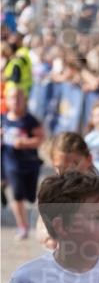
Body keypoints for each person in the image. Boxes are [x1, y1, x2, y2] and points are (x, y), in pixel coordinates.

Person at [0, 83, 43, 239]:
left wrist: (24, 143)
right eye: (12, 97)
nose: (16, 101)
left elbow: (40, 139)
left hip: (30, 163)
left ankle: (5, 187)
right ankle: (22, 226)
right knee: (17, 195)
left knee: (31, 196)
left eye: (19, 97)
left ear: (25, 100)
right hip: (10, 162)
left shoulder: (30, 120)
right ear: (7, 100)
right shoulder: (2, 118)